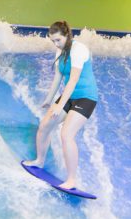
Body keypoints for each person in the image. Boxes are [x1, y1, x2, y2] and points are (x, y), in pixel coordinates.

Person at [22, 21, 98, 191]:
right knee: (44, 125)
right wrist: (49, 99)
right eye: (53, 41)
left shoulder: (78, 49)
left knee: (66, 135)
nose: (55, 44)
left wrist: (60, 105)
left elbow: (73, 79)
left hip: (86, 98)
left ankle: (71, 180)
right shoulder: (60, 51)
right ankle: (39, 161)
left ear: (67, 36)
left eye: (58, 40)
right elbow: (58, 77)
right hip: (69, 97)